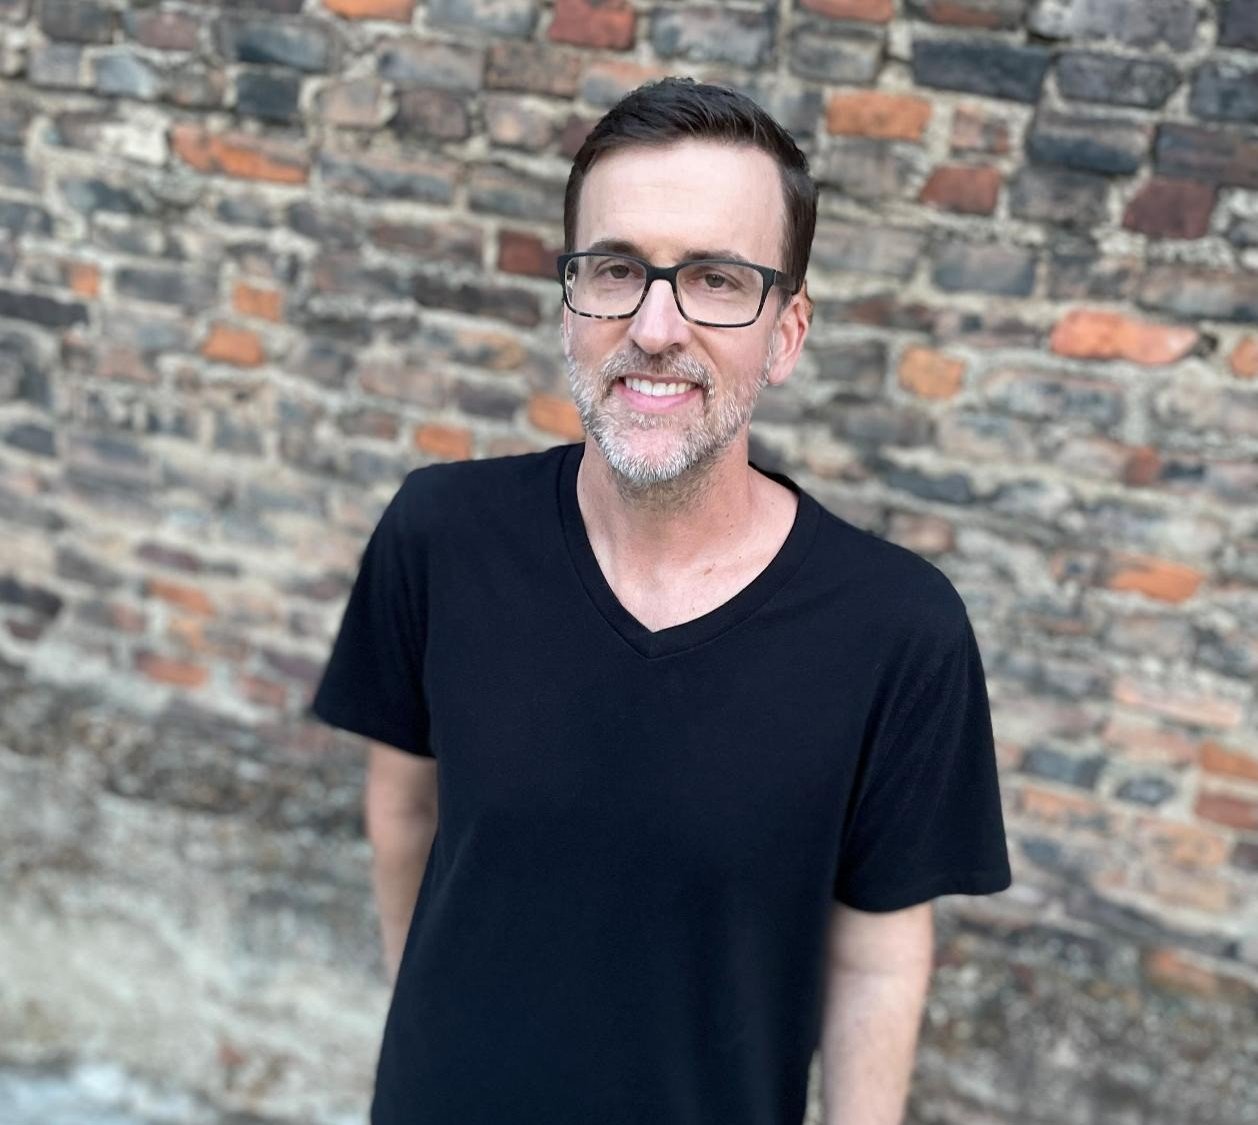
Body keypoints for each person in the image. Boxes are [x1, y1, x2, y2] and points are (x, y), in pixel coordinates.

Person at [309, 77, 1012, 1125]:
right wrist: (428, 1033)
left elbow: (875, 951)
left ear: (785, 333)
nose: (653, 326)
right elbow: (403, 806)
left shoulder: (897, 631)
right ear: (571, 301)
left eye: (716, 280)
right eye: (617, 269)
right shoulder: (441, 534)